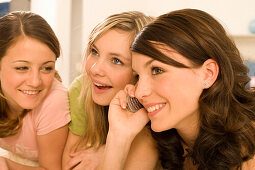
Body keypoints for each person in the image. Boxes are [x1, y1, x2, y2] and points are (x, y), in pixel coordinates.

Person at [101, 8, 255, 170]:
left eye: (157, 70)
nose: (140, 92)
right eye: (138, 76)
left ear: (208, 74)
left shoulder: (249, 149)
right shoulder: (158, 138)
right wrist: (118, 137)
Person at [62, 11, 160, 170]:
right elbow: (70, 165)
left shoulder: (151, 119)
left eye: (116, 60)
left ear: (139, 73)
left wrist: (107, 151)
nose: (95, 70)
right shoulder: (83, 88)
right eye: (94, 51)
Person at [0, 11, 70, 170]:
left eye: (47, 68)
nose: (35, 82)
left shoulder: (53, 100)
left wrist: (6, 165)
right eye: (22, 68)